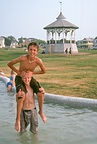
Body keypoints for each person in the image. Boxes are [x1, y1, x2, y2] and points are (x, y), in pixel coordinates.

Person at [7, 42, 47, 132]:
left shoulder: (38, 61)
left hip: (29, 77)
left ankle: (41, 111)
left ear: (37, 52)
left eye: (34, 50)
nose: (32, 52)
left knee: (41, 92)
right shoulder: (23, 58)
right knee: (21, 95)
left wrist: (32, 73)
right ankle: (17, 120)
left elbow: (43, 71)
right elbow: (10, 64)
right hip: (20, 78)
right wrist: (18, 72)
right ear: (28, 50)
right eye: (30, 50)